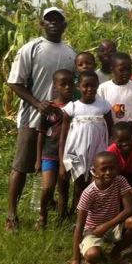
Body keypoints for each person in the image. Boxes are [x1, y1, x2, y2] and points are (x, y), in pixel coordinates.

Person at [5, 6, 76, 231]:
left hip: (60, 122)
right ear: (42, 24)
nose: (53, 23)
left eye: (58, 20)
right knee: (22, 166)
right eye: (49, 19)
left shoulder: (70, 53)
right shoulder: (31, 48)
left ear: (65, 25)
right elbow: (15, 82)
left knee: (55, 165)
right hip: (32, 118)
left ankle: (53, 205)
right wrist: (37, 103)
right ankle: (11, 215)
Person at [69, 151, 132, 264]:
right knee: (92, 256)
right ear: (94, 171)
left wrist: (106, 226)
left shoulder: (120, 181)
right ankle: (96, 250)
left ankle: (115, 253)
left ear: (117, 168)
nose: (108, 172)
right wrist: (76, 260)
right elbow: (79, 226)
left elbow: (129, 209)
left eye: (112, 168)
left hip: (112, 226)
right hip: (93, 230)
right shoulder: (88, 193)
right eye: (104, 169)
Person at [59, 71, 113, 215]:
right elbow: (64, 137)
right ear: (78, 86)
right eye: (86, 86)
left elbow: (111, 131)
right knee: (78, 184)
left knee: (93, 185)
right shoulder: (72, 107)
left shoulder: (104, 106)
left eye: (93, 86)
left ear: (97, 86)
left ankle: (88, 216)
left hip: (98, 153)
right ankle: (73, 214)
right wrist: (62, 163)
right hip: (76, 153)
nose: (90, 89)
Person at [34, 69, 74, 229]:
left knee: (63, 188)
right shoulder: (48, 108)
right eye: (63, 84)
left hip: (67, 154)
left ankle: (62, 218)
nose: (67, 87)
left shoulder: (76, 106)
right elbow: (41, 134)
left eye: (70, 84)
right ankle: (42, 215)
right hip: (49, 154)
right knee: (47, 187)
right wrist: (38, 159)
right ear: (55, 86)